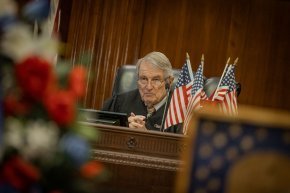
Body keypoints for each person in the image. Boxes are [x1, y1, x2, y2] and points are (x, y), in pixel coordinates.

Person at [102, 51, 180, 133]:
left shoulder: (179, 112)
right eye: (144, 79)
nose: (149, 87)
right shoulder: (119, 102)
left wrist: (145, 136)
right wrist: (122, 128)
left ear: (169, 82)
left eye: (156, 80)